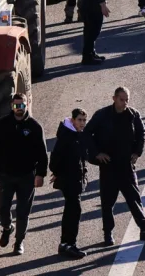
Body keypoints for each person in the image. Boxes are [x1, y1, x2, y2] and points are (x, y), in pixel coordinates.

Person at [84, 87, 145, 244]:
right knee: (107, 202)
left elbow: (142, 133)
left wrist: (137, 152)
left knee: (134, 199)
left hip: (126, 165)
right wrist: (97, 153)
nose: (125, 103)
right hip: (108, 165)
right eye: (122, 99)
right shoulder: (102, 115)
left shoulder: (133, 114)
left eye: (127, 100)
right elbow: (86, 133)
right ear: (114, 98)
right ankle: (108, 234)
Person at [0, 91, 49, 254]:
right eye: (16, 105)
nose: (19, 108)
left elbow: (42, 153)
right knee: (2, 208)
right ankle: (7, 227)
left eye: (22, 105)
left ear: (26, 104)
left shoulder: (35, 127)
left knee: (23, 211)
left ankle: (19, 242)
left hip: (26, 176)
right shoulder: (1, 125)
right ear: (12, 106)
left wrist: (40, 174)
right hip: (4, 175)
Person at [50, 107, 90, 260]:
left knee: (71, 211)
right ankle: (69, 244)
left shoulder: (78, 135)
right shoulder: (67, 137)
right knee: (74, 211)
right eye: (79, 120)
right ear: (73, 120)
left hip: (75, 180)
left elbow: (82, 158)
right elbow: (54, 161)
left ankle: (65, 244)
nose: (82, 123)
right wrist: (60, 173)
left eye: (84, 120)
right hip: (70, 181)